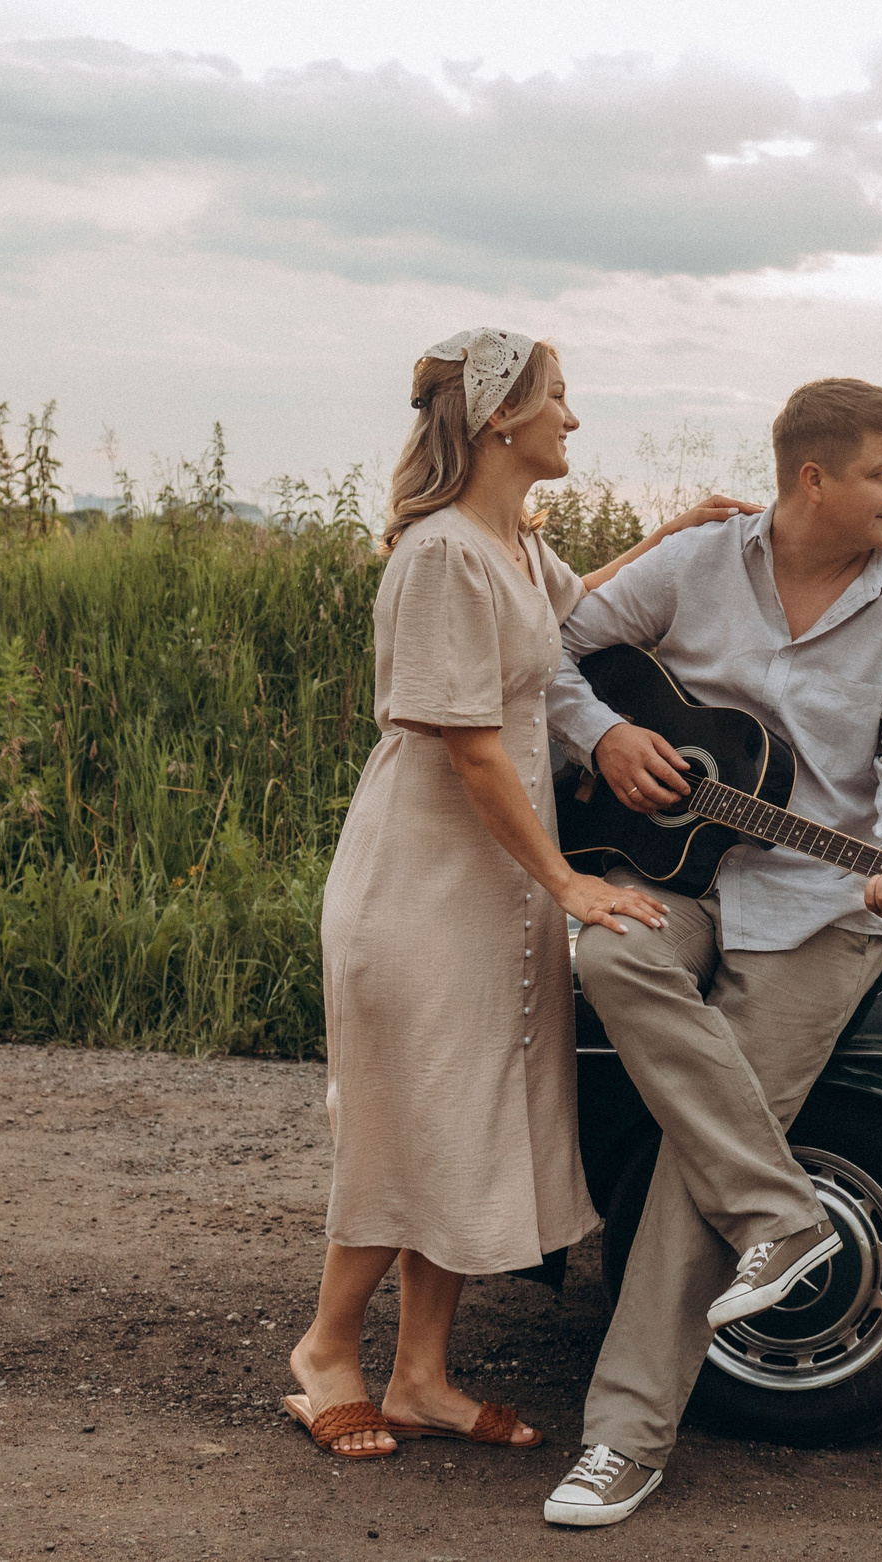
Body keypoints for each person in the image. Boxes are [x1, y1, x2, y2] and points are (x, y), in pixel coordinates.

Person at [284, 329, 757, 1461]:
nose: (571, 419)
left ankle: (420, 1376)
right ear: (501, 418)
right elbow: (471, 746)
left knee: (470, 1113)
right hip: (423, 880)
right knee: (405, 1115)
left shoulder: (511, 543)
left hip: (495, 880)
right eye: (558, 399)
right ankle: (325, 1355)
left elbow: (560, 618)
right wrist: (568, 881)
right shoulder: (441, 554)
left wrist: (669, 537)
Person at [538, 378, 882, 1527]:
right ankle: (783, 1212)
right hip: (675, 871)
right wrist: (604, 735)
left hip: (822, 905)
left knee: (699, 1158)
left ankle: (621, 1441)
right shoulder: (698, 563)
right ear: (812, 479)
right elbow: (553, 646)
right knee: (611, 957)